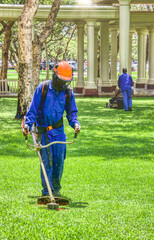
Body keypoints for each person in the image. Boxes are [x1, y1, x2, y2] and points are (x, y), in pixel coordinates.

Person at [23, 61, 81, 197]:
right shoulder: (42, 88)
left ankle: (55, 190)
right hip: (44, 132)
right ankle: (46, 192)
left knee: (59, 161)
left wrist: (76, 124)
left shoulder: (67, 92)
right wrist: (27, 125)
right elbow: (32, 111)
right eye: (61, 80)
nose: (63, 84)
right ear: (55, 75)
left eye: (66, 81)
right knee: (47, 162)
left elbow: (72, 113)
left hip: (59, 132)